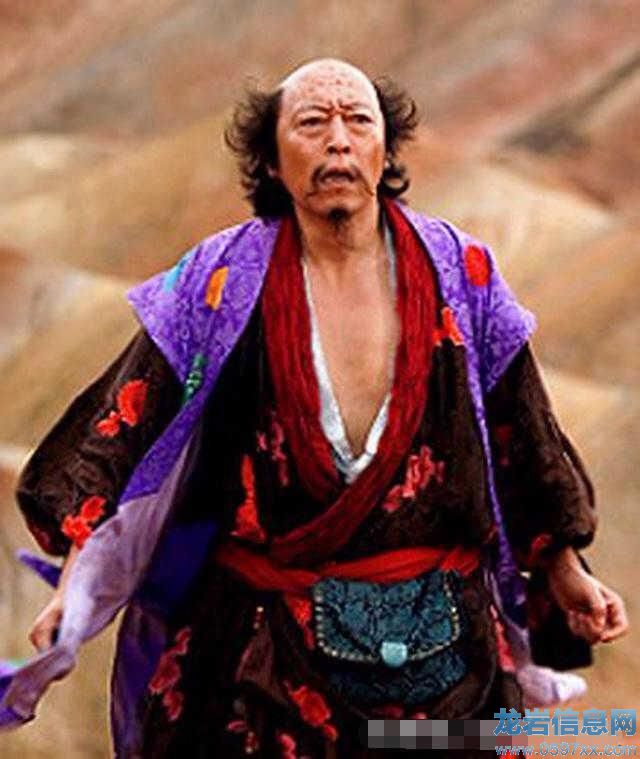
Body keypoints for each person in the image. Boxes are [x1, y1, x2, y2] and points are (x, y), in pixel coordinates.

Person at [2, 58, 628, 757]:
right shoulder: (219, 281)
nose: (338, 140)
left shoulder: (463, 273)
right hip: (261, 657)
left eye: (359, 121)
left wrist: (564, 566)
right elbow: (118, 429)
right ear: (271, 160)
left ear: (385, 151)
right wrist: (78, 584)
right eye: (311, 122)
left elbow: (524, 432)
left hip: (447, 659)